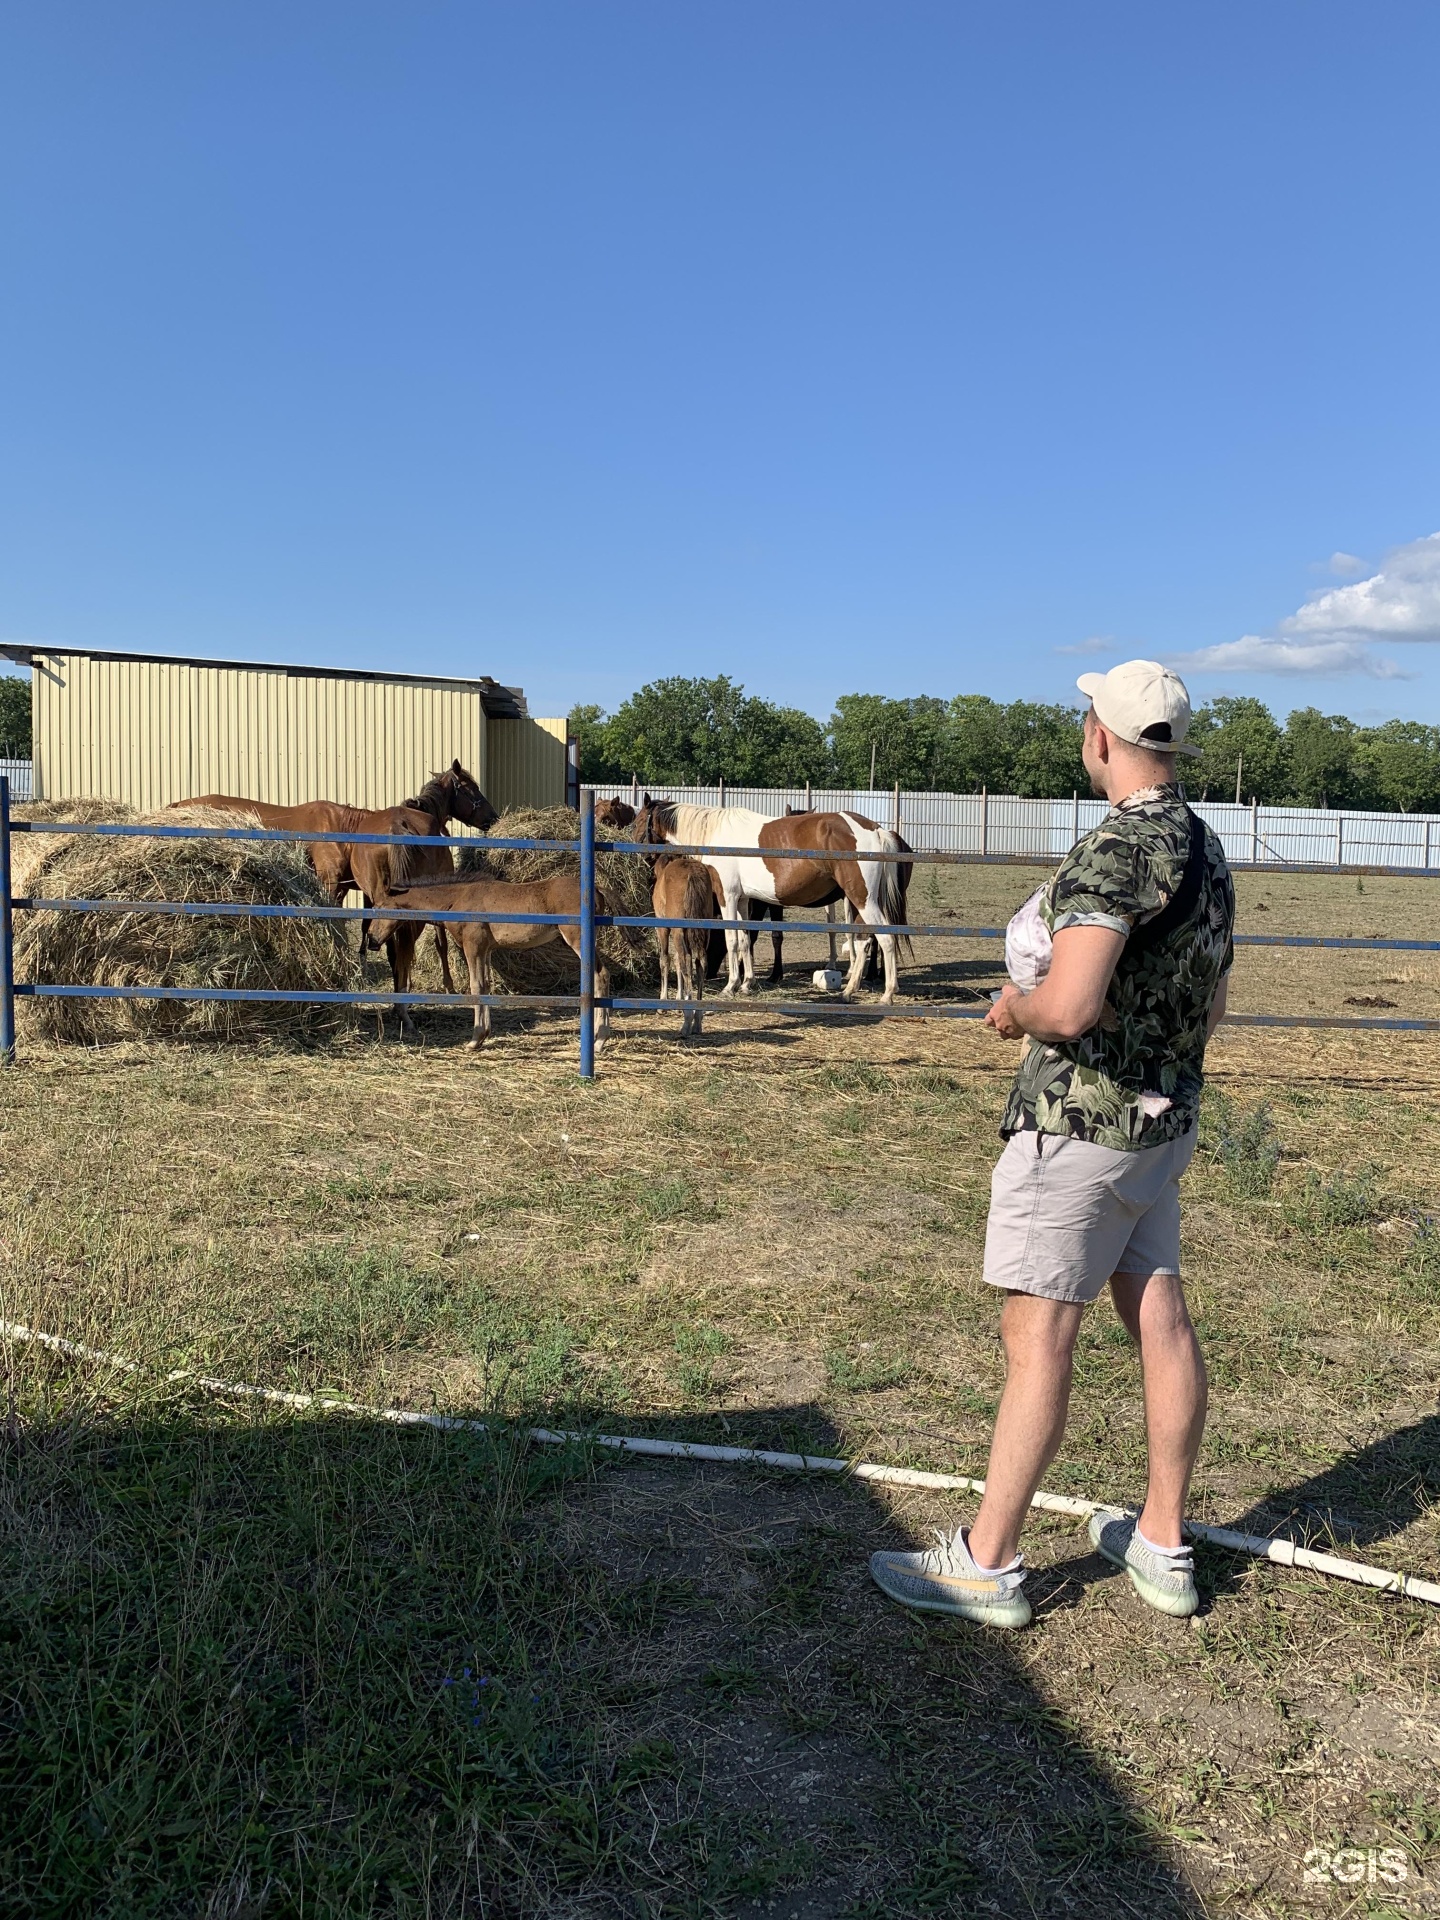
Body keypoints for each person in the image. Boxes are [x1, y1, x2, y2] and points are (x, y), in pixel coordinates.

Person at [871, 660, 1235, 1628]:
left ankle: (986, 1561)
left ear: (1101, 738)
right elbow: (1210, 1006)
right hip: (1161, 1128)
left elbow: (1070, 1004)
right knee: (1161, 1315)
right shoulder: (1207, 853)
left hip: (1081, 1127)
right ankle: (1163, 1541)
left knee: (1038, 1337)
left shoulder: (1115, 852)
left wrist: (1015, 1010)